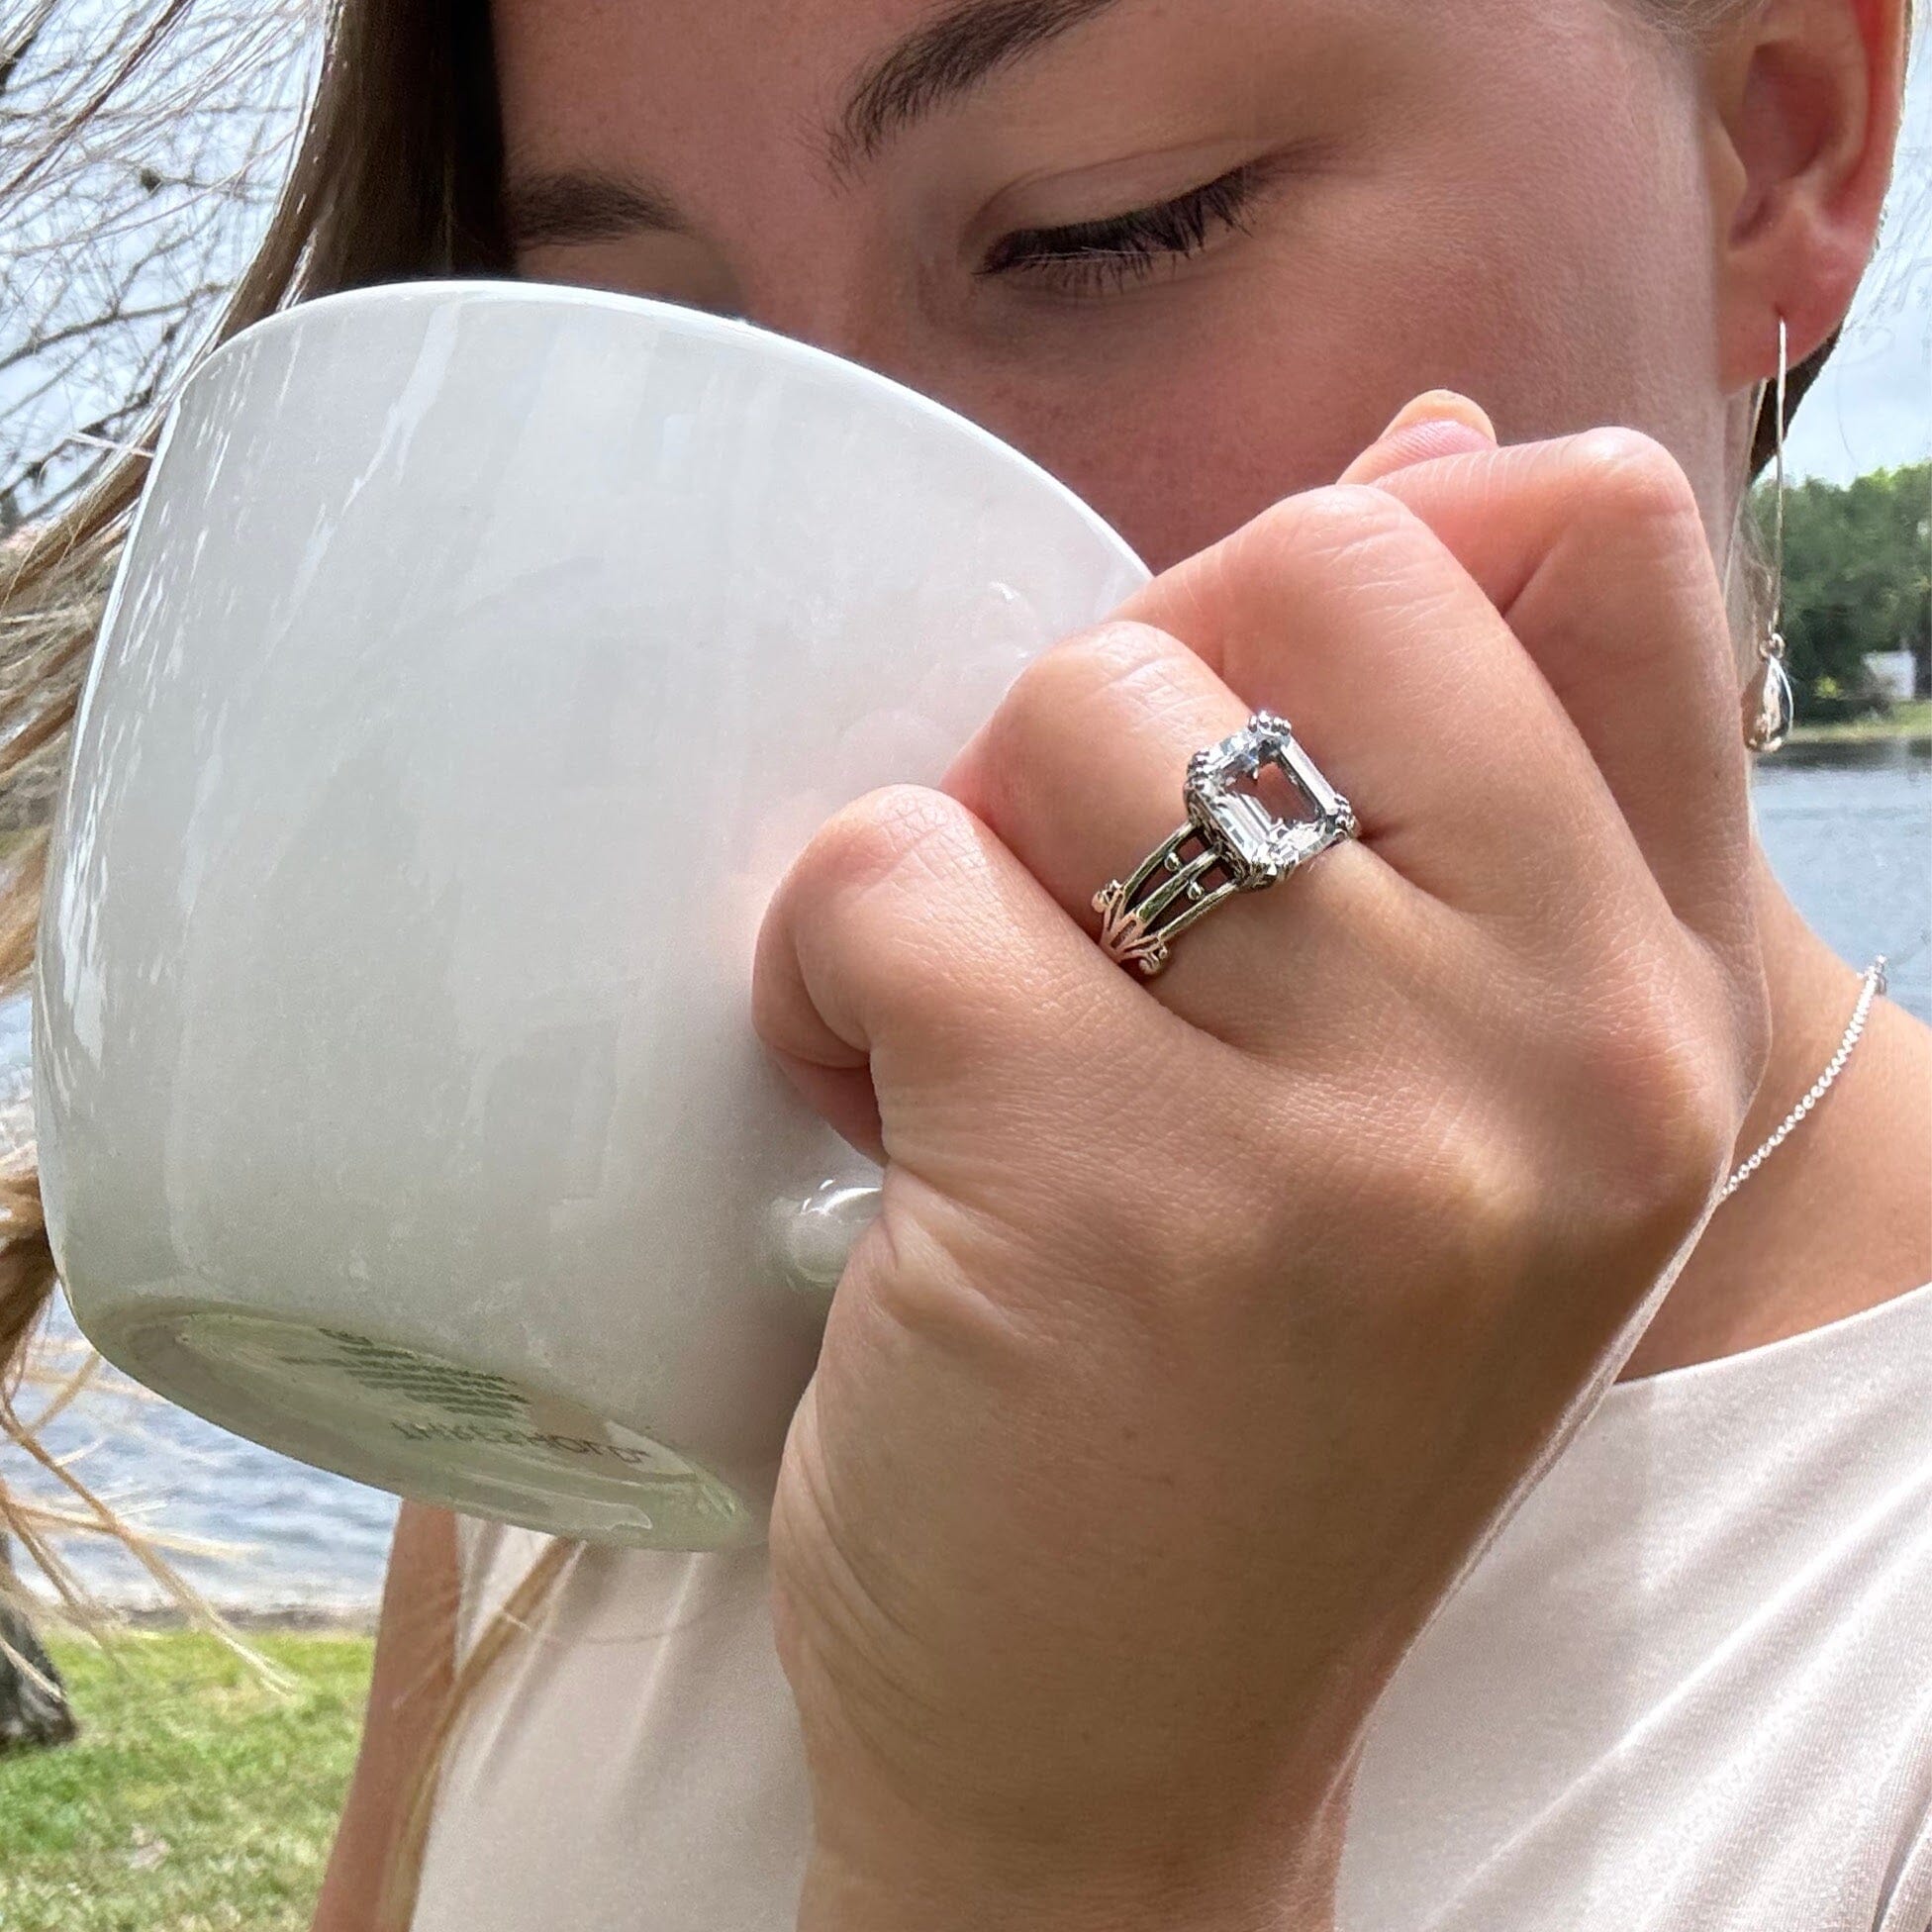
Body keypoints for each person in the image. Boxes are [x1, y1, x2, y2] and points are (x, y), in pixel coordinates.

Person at [1, 0, 1926, 1927]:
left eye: (1113, 226)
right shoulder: (604, 1355)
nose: (778, 571)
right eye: (647, 334)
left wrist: (1080, 1842)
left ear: (1784, 139)